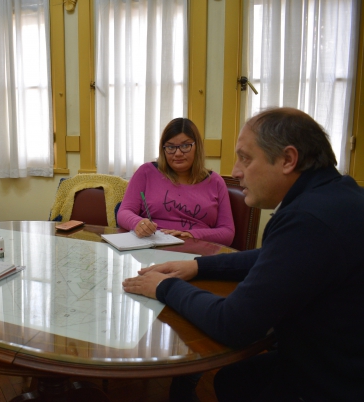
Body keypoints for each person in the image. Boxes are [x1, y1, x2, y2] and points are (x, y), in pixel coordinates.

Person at [122, 107, 364, 401]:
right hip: (332, 357)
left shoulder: (307, 220)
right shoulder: (336, 195)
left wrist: (164, 287)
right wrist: (198, 266)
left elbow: (232, 323)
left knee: (237, 382)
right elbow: (268, 256)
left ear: (288, 159)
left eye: (245, 158)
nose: (236, 171)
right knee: (234, 379)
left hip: (331, 383)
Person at [117, 117, 235, 246]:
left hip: (197, 252)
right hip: (152, 248)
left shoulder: (216, 182)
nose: (178, 153)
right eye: (170, 147)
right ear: (163, 149)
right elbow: (123, 212)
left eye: (185, 146)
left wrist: (191, 235)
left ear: (197, 147)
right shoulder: (146, 172)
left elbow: (227, 233)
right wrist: (138, 223)